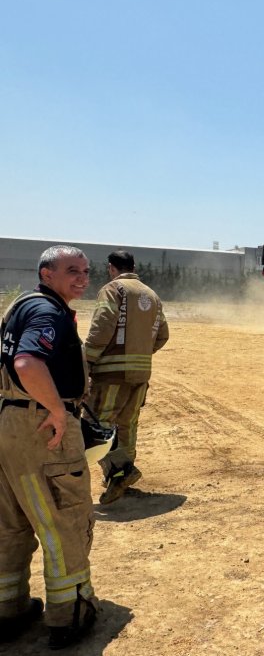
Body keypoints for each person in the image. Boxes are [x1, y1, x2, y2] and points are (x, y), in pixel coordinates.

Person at [0, 245, 99, 649]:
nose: (81, 277)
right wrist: (57, 410)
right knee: (64, 519)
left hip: (11, 424)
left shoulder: (21, 306)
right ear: (46, 274)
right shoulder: (48, 312)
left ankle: (8, 608)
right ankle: (68, 614)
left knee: (11, 523)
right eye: (71, 270)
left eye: (86, 271)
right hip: (41, 428)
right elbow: (27, 363)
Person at [85, 250, 169, 505]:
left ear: (111, 268)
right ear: (134, 266)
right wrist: (142, 352)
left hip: (111, 373)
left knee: (94, 424)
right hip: (141, 374)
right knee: (127, 424)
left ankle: (120, 470)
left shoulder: (113, 289)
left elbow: (102, 327)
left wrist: (86, 360)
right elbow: (163, 335)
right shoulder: (151, 295)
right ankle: (119, 477)